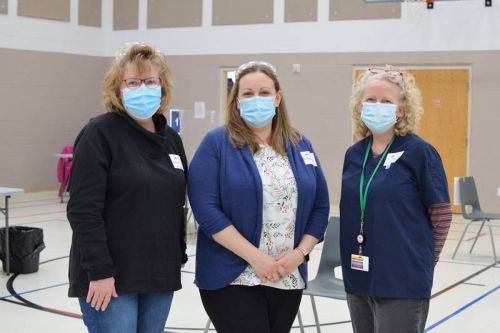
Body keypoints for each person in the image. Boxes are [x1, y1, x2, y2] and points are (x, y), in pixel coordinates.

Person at [187, 61, 330, 333]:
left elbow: (321, 206)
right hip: (233, 277)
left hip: (286, 276)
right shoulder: (216, 143)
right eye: (248, 93)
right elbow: (206, 210)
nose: (256, 99)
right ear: (237, 101)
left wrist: (300, 254)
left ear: (277, 98)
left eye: (264, 93)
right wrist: (257, 258)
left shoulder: (301, 145)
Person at [67, 42, 188, 333]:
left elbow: (176, 203)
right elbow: (83, 210)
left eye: (149, 81)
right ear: (118, 88)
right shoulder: (99, 133)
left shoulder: (171, 139)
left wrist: (178, 254)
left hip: (159, 275)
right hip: (110, 279)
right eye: (133, 82)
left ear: (162, 85)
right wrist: (99, 272)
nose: (142, 88)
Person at [339, 66, 452, 333]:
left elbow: (441, 214)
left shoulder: (420, 153)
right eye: (371, 100)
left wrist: (422, 261)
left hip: (403, 279)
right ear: (360, 106)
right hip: (359, 276)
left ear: (400, 110)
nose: (377, 106)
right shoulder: (354, 155)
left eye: (386, 101)